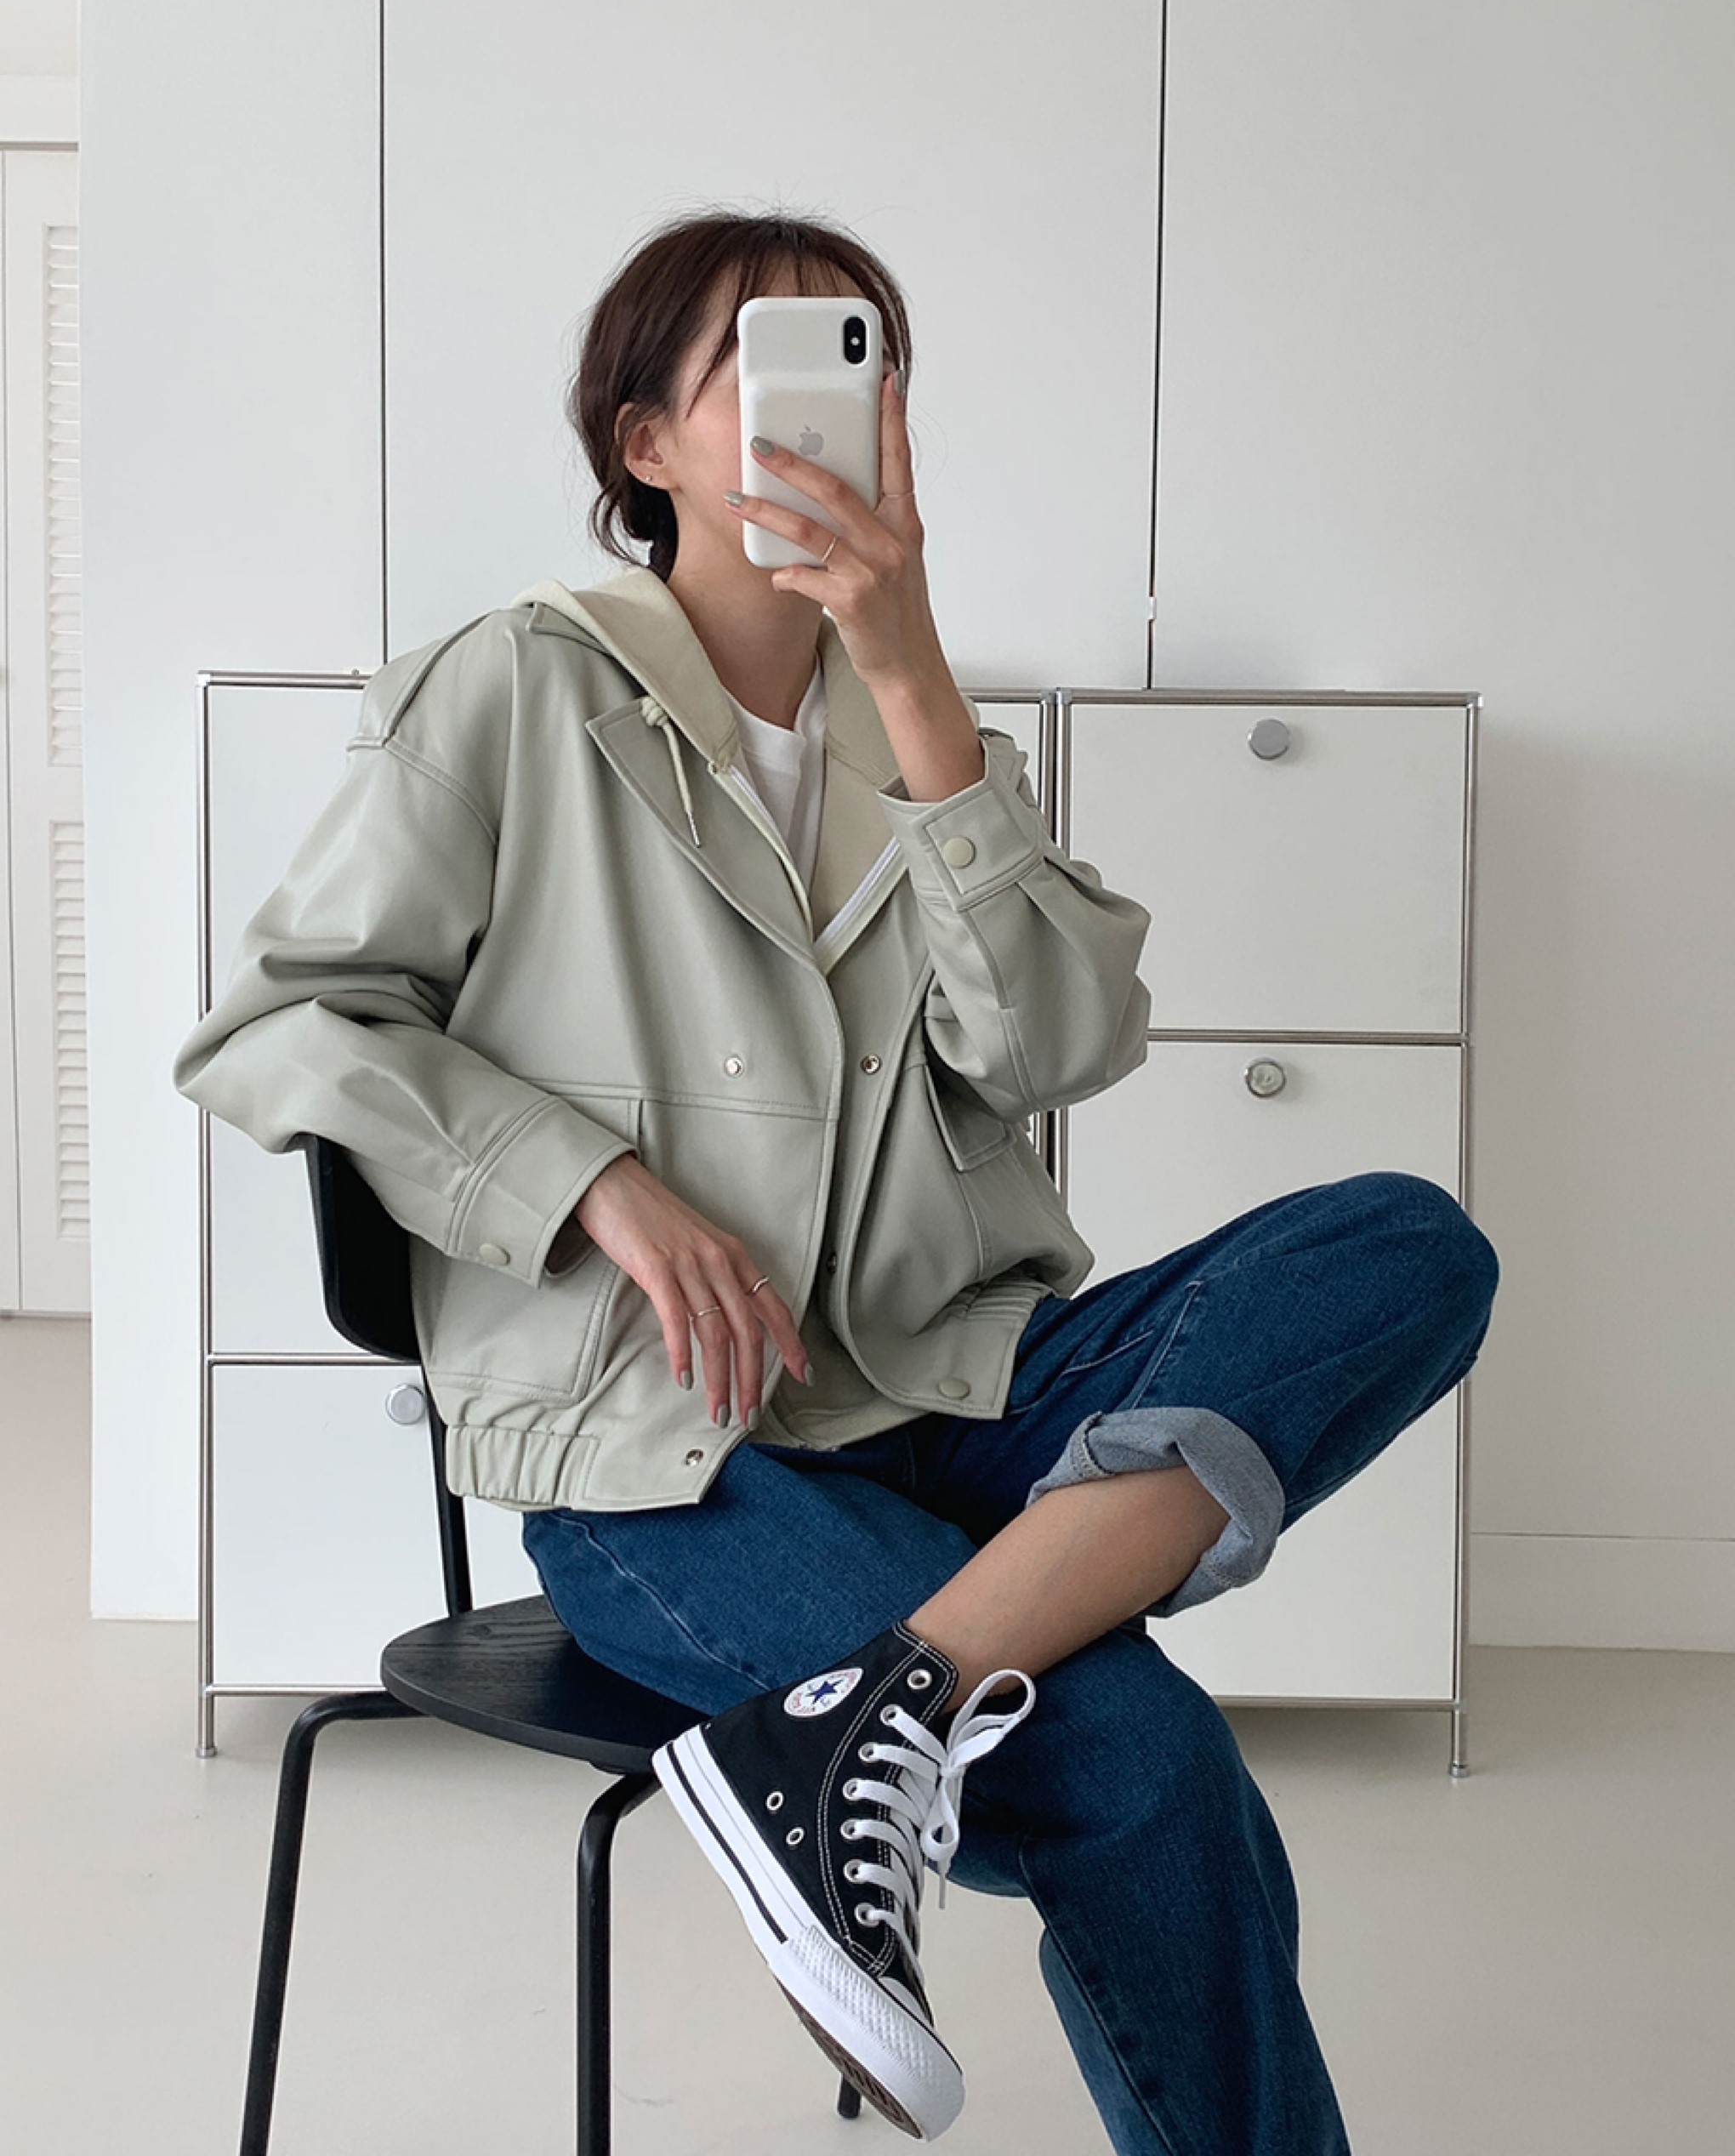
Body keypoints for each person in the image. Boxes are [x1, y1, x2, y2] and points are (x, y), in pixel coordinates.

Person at [174, 206, 1500, 2152]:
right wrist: (591, 1179)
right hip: (666, 1457)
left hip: (947, 1388)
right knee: (1140, 1756)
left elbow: (1058, 1046)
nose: (833, 407)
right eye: (764, 363)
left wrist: (913, 669)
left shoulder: (924, 734)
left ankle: (871, 1716)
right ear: (644, 443)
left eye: (865, 363)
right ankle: (905, 1712)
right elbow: (284, 1024)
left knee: (1406, 1246)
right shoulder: (517, 689)